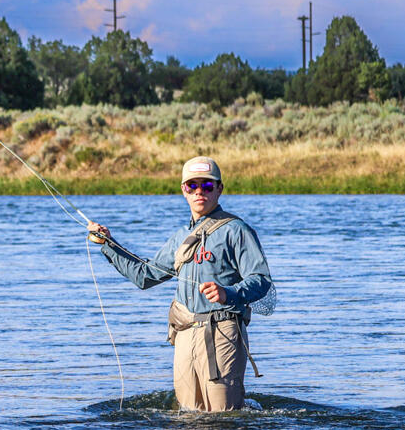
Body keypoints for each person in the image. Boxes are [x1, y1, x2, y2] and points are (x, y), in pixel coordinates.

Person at [86, 157, 273, 412]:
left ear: (220, 188)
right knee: (187, 417)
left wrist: (228, 293)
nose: (199, 192)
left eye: (207, 186)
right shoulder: (180, 238)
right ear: (183, 190)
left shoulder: (237, 230)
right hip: (184, 334)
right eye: (192, 186)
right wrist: (109, 244)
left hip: (222, 332)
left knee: (224, 418)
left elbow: (261, 280)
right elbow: (144, 276)